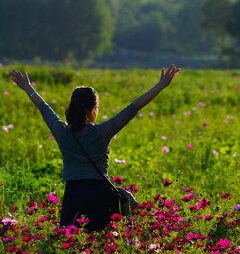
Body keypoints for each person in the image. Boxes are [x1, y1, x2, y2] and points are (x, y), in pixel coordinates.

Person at [11, 65, 180, 233]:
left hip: (73, 196)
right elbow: (134, 107)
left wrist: (27, 88)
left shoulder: (61, 132)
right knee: (99, 244)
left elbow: (43, 107)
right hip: (100, 196)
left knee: (71, 242)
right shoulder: (102, 132)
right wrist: (160, 85)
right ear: (93, 109)